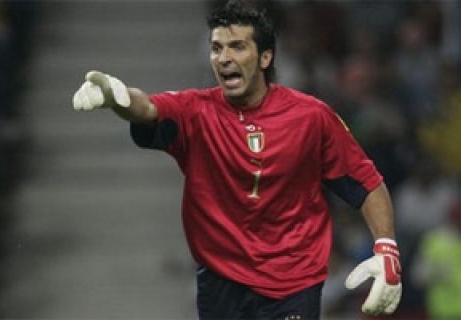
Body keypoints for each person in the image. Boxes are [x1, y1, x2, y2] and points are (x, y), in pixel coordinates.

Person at [72, 1, 401, 319]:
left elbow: (368, 184)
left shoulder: (311, 118)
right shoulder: (195, 113)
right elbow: (147, 109)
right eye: (217, 48)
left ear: (265, 57)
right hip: (221, 282)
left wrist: (386, 248)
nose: (224, 58)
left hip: (293, 284)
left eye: (237, 47)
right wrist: (117, 98)